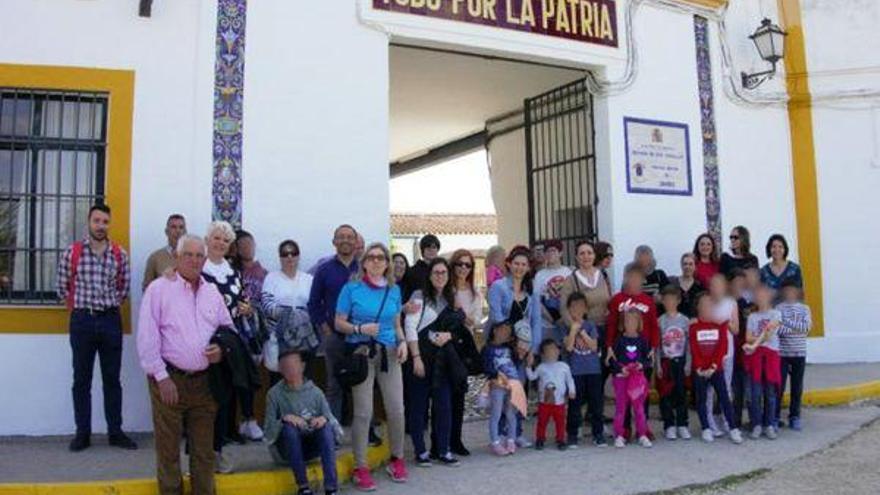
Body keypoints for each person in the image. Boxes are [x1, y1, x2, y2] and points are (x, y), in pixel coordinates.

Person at [136, 234, 230, 495]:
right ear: (176, 257)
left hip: (204, 384)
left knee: (203, 453)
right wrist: (160, 376)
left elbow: (228, 329)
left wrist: (221, 350)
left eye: (200, 255)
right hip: (170, 381)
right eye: (188, 254)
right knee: (168, 452)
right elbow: (147, 335)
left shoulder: (212, 293)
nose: (194, 260)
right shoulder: (159, 289)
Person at [56, 204, 137, 452]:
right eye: (96, 221)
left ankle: (115, 431)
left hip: (110, 320)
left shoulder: (119, 254)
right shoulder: (73, 252)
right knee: (82, 379)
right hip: (82, 321)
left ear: (109, 223)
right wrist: (83, 308)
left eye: (105, 221)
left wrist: (108, 307)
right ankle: (83, 433)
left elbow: (124, 288)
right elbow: (62, 288)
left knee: (112, 379)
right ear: (89, 222)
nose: (101, 226)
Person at [334, 242, 409, 491]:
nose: (376, 261)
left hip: (389, 353)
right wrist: (359, 329)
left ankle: (397, 458)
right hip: (362, 354)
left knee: (397, 409)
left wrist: (403, 343)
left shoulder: (394, 290)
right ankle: (361, 466)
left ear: (387, 263)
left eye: (381, 257)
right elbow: (338, 323)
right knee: (363, 412)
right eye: (372, 257)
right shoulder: (351, 289)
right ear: (364, 262)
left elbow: (397, 323)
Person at [201, 221, 261, 468]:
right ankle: (206, 453)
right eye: (216, 238)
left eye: (225, 240)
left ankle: (218, 451)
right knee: (209, 400)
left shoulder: (232, 272)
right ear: (208, 240)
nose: (220, 243)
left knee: (225, 397)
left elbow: (242, 300)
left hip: (231, 342)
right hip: (206, 342)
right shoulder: (199, 270)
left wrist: (247, 308)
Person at [404, 258, 461, 467]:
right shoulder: (419, 297)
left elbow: (459, 329)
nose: (440, 276)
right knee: (418, 407)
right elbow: (410, 328)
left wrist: (450, 336)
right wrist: (416, 358)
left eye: (444, 273)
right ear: (429, 275)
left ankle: (444, 450)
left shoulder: (452, 298)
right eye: (436, 272)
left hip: (443, 361)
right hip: (421, 358)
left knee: (444, 406)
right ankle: (420, 451)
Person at [264, 349, 339, 495]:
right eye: (286, 366)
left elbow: (334, 424)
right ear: (280, 369)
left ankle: (331, 487)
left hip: (311, 446)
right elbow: (267, 432)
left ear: (302, 366)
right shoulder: (274, 394)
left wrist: (323, 419)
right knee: (289, 429)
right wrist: (284, 419)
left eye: (294, 365)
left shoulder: (315, 392)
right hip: (286, 449)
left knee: (326, 428)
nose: (290, 369)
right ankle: (303, 487)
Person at [307, 225, 360, 424]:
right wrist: (326, 330)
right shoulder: (324, 270)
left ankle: (365, 432)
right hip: (335, 337)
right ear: (334, 242)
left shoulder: (364, 269)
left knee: (363, 385)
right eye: (341, 237)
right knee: (334, 385)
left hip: (361, 337)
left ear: (356, 242)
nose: (345, 240)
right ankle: (333, 434)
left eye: (349, 237)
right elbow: (313, 304)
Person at [689, 293, 744, 445]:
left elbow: (722, 348)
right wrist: (700, 367)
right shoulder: (693, 327)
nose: (706, 308)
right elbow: (694, 349)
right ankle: (706, 428)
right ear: (698, 307)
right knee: (701, 399)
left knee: (724, 397)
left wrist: (713, 366)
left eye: (710, 305)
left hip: (716, 369)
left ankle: (733, 428)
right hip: (700, 371)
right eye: (703, 305)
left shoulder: (719, 326)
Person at [448, 248, 483, 456]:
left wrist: (460, 313)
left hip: (464, 344)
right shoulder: (447, 289)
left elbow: (475, 320)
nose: (463, 268)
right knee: (445, 395)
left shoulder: (474, 292)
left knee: (460, 394)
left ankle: (457, 439)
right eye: (459, 264)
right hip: (446, 343)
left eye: (467, 265)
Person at [562, 292, 605, 447]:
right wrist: (573, 330)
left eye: (581, 306)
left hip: (593, 370)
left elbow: (594, 346)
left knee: (596, 404)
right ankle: (572, 434)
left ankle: (598, 433)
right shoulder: (566, 327)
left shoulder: (591, 325)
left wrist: (582, 331)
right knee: (575, 405)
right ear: (569, 310)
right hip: (575, 371)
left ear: (586, 309)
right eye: (573, 307)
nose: (577, 310)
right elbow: (568, 347)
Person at [743, 284, 783, 440]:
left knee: (770, 393)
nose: (761, 298)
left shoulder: (776, 314)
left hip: (771, 357)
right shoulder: (752, 317)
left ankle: (769, 424)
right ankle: (757, 424)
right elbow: (748, 337)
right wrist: (759, 338)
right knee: (755, 393)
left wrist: (756, 339)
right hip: (756, 359)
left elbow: (769, 335)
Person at [610, 309, 653, 448]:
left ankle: (642, 434)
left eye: (634, 321)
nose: (630, 323)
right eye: (628, 321)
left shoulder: (642, 340)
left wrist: (641, 365)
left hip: (637, 380)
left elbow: (648, 360)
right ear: (623, 323)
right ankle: (619, 435)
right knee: (621, 408)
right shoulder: (619, 340)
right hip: (622, 378)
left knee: (639, 408)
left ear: (638, 323)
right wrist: (620, 369)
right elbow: (613, 360)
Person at [487, 245, 543, 352]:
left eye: (523, 265)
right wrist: (513, 341)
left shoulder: (532, 290)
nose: (519, 268)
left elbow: (536, 321)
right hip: (501, 344)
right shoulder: (498, 286)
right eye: (516, 264)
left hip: (524, 346)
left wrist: (534, 349)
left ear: (528, 268)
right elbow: (496, 318)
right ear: (509, 264)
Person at [704, 273, 740, 437]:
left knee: (726, 388)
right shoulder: (706, 303)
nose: (716, 288)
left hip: (727, 352)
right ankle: (710, 422)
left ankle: (727, 420)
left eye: (719, 285)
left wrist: (725, 323)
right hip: (710, 353)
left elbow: (736, 330)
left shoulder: (731, 303)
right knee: (710, 389)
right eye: (713, 285)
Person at [481, 321, 524, 456]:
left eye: (508, 332)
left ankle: (511, 440)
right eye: (502, 330)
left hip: (513, 384)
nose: (504, 333)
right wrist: (494, 376)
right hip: (497, 385)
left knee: (512, 414)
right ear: (495, 330)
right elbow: (485, 367)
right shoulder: (487, 349)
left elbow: (516, 363)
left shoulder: (510, 349)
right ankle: (495, 442)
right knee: (496, 413)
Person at [775, 278, 812, 431]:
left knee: (797, 387)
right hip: (782, 354)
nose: (790, 293)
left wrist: (787, 323)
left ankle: (794, 415)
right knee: (779, 386)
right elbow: (778, 330)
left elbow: (806, 328)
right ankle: (775, 416)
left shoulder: (805, 309)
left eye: (793, 290)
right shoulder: (778, 309)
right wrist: (795, 327)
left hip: (799, 353)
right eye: (787, 290)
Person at [526, 339, 575, 451]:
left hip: (559, 401)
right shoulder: (541, 367)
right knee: (542, 421)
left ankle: (561, 439)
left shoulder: (564, 366)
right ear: (543, 354)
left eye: (553, 349)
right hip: (545, 401)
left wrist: (572, 390)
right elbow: (532, 377)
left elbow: (569, 380)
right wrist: (528, 366)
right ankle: (540, 439)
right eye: (547, 350)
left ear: (558, 351)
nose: (551, 352)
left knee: (560, 422)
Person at [657, 285, 691, 441]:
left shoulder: (685, 321)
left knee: (681, 393)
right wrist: (657, 364)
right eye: (666, 300)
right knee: (665, 395)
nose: (670, 302)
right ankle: (669, 424)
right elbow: (656, 345)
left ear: (678, 301)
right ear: (662, 301)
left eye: (673, 299)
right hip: (665, 361)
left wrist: (688, 363)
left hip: (681, 360)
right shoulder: (660, 321)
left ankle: (682, 424)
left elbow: (689, 345)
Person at [533, 239, 573, 344]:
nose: (550, 254)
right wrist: (552, 319)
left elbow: (573, 298)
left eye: (553, 250)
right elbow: (537, 301)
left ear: (560, 253)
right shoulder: (540, 275)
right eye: (547, 251)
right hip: (546, 323)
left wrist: (565, 317)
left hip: (566, 321)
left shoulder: (568, 272)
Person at [143, 213, 186, 289]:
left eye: (181, 227)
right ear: (166, 231)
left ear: (185, 232)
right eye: (173, 227)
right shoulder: (155, 258)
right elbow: (147, 288)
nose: (178, 231)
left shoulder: (193, 257)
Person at [401, 234, 440, 303]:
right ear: (422, 250)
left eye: (434, 247)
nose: (431, 250)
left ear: (437, 250)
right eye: (428, 247)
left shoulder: (442, 271)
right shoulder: (411, 272)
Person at [234, 230, 268, 307]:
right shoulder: (234, 273)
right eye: (243, 245)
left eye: (250, 244)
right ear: (237, 249)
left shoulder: (265, 274)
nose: (248, 248)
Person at [672, 253, 704, 318]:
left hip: (693, 323)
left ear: (695, 267)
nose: (687, 267)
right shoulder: (673, 284)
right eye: (685, 264)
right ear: (681, 266)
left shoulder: (699, 287)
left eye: (690, 264)